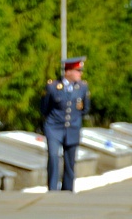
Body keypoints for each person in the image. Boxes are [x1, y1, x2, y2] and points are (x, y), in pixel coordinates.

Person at [41, 55, 89, 191]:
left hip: (72, 127)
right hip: (54, 127)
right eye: (77, 71)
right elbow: (44, 107)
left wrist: (75, 121)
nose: (80, 74)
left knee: (70, 161)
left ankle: (67, 189)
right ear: (68, 72)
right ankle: (52, 188)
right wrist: (51, 121)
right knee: (53, 156)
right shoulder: (53, 86)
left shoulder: (82, 87)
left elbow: (85, 108)